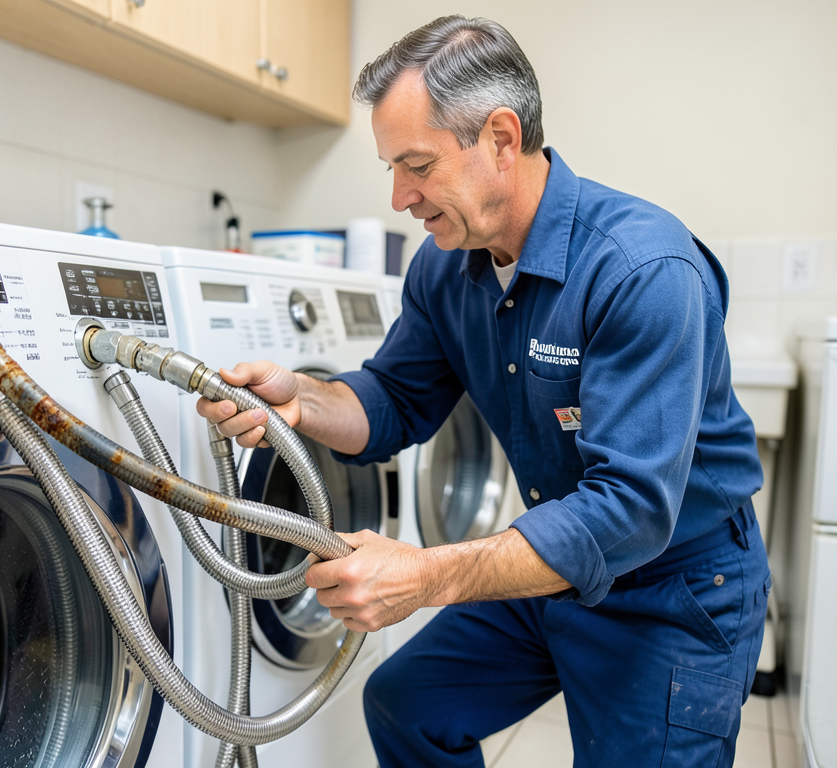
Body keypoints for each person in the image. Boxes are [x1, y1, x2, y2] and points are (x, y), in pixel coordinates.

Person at [198, 15, 769, 768]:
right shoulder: (445, 266)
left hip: (674, 587)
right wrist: (301, 399)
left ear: (501, 138)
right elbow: (394, 401)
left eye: (418, 165)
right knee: (408, 707)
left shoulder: (643, 270)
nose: (401, 196)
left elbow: (630, 510)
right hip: (558, 562)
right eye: (390, 169)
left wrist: (426, 576)